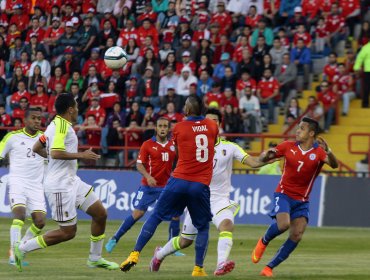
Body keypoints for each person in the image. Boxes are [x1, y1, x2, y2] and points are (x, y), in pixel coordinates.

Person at [149, 108, 270, 276]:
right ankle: (159, 254)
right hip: (197, 197)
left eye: (214, 121)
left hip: (220, 199)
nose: (210, 124)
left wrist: (266, 158)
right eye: (207, 121)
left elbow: (253, 162)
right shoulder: (193, 146)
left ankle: (221, 263)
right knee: (185, 241)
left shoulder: (230, 147)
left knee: (227, 225)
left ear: (219, 125)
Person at [13, 94, 118, 271]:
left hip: (71, 181)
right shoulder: (61, 126)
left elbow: (37, 147)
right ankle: (22, 248)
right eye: (76, 106)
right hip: (59, 186)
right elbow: (55, 153)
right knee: (68, 232)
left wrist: (56, 161)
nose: (78, 109)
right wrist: (82, 155)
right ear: (70, 109)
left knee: (100, 214)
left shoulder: (55, 125)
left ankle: (95, 258)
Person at [120, 95, 218, 276]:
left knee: (156, 215)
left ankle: (134, 254)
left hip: (179, 180)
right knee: (203, 226)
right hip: (199, 184)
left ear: (187, 110)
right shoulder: (213, 126)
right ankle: (198, 269)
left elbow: (178, 152)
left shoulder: (179, 127)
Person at [251, 117, 339, 277]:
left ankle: (269, 267)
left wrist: (329, 152)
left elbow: (334, 165)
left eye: (302, 128)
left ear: (311, 133)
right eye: (298, 128)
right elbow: (264, 157)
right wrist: (267, 154)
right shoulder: (287, 146)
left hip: (302, 200)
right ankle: (264, 240)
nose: (297, 131)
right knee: (283, 225)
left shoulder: (318, 152)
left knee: (297, 234)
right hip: (283, 193)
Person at [104, 117, 181, 253]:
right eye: (160, 126)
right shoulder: (147, 145)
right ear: (155, 128)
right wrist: (148, 176)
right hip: (148, 187)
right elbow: (139, 165)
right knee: (138, 213)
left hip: (166, 187)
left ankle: (173, 248)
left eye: (165, 126)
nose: (162, 129)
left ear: (168, 129)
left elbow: (180, 161)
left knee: (176, 214)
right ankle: (115, 238)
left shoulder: (173, 145)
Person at [0, 108, 46, 266]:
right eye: (33, 118)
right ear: (25, 120)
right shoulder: (12, 137)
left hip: (36, 186)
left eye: (39, 118)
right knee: (19, 216)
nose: (37, 121)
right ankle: (13, 255)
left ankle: (21, 247)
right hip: (17, 182)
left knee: (40, 222)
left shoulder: (45, 138)